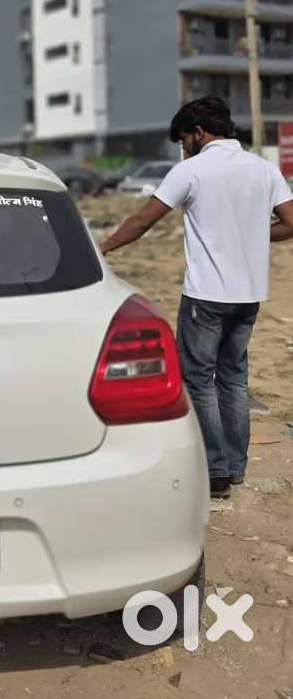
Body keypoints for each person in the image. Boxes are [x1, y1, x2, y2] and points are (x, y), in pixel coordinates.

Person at [99, 96, 293, 498]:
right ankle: (235, 467)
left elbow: (142, 222)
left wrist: (100, 248)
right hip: (248, 296)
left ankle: (215, 471)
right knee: (234, 378)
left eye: (183, 140)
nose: (183, 147)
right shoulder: (263, 169)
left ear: (199, 133)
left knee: (199, 380)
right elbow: (291, 223)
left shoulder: (191, 170)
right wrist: (253, 235)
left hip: (206, 297)